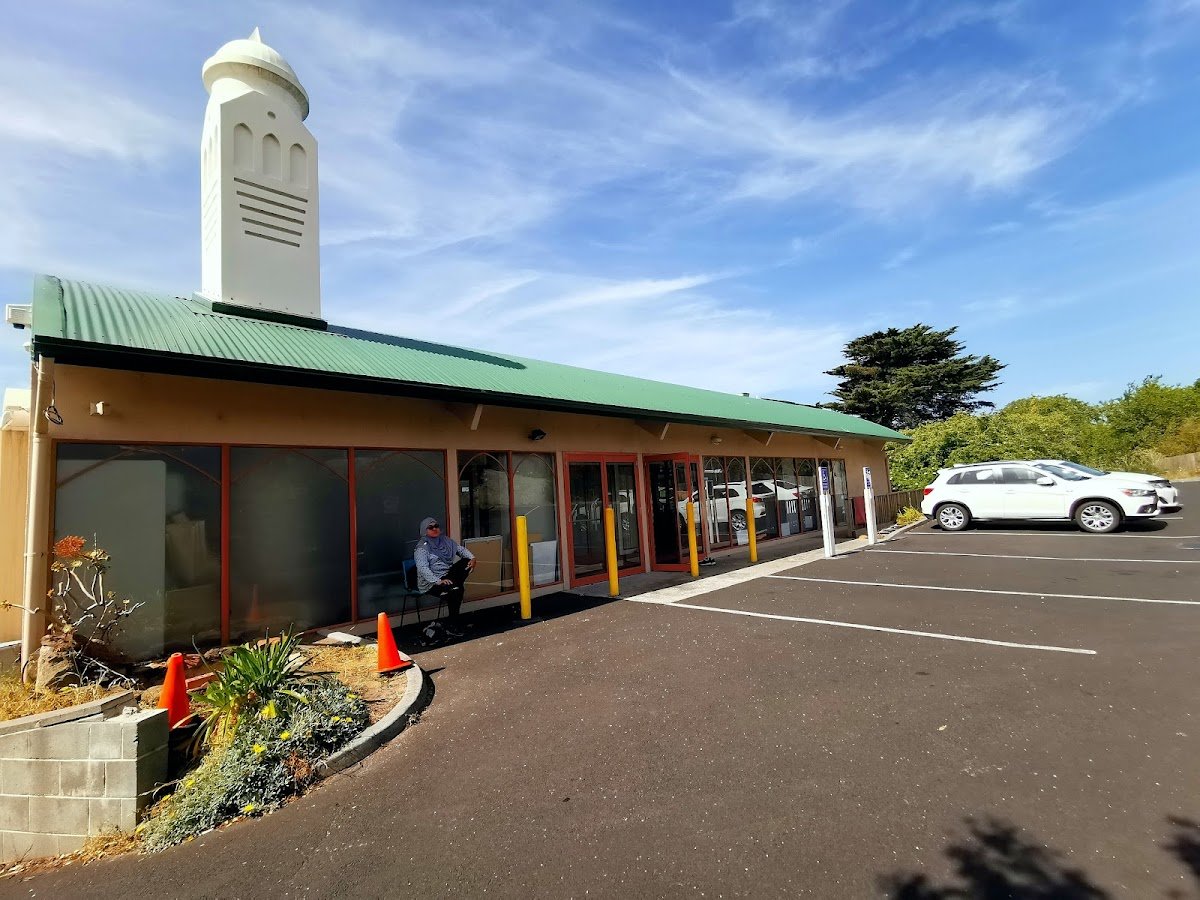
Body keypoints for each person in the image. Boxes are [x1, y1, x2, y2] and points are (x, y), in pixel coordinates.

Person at [414, 516, 476, 639]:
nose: (435, 529)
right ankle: (453, 623)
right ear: (424, 530)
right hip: (431, 583)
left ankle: (453, 588)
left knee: (466, 562)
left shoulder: (445, 541)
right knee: (456, 592)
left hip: (447, 576)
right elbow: (423, 568)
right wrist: (438, 581)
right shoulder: (421, 548)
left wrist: (472, 558)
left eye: (436, 526)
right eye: (430, 527)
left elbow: (461, 550)